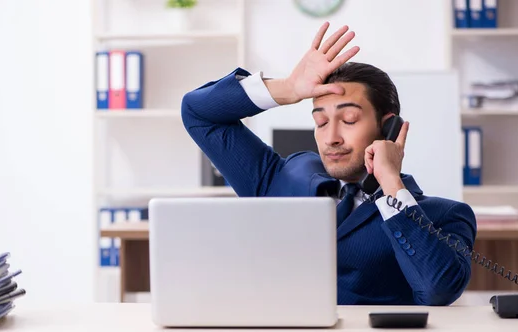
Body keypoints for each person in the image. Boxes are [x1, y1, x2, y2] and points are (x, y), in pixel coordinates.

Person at [180, 22, 477, 306]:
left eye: (348, 120)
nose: (330, 137)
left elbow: (437, 290)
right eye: (321, 122)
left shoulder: (444, 216)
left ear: (389, 129)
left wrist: (391, 186)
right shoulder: (281, 178)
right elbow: (198, 112)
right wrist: (288, 88)